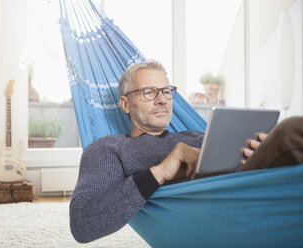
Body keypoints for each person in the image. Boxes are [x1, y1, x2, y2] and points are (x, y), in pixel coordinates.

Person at [69, 59, 303, 243]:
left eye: (167, 91)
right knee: (293, 130)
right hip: (219, 213)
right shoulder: (109, 148)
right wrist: (159, 172)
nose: (162, 100)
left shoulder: (197, 136)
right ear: (125, 104)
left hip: (256, 192)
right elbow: (84, 223)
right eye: (149, 92)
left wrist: (259, 153)